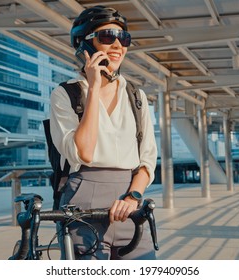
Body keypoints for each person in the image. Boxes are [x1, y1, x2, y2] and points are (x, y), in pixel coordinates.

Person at [49, 5, 158, 260]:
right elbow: (83, 152)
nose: (118, 45)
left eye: (124, 38)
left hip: (129, 203)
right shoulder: (65, 94)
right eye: (107, 37)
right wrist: (94, 88)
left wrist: (133, 196)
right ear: (84, 45)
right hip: (83, 200)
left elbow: (147, 160)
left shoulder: (136, 96)